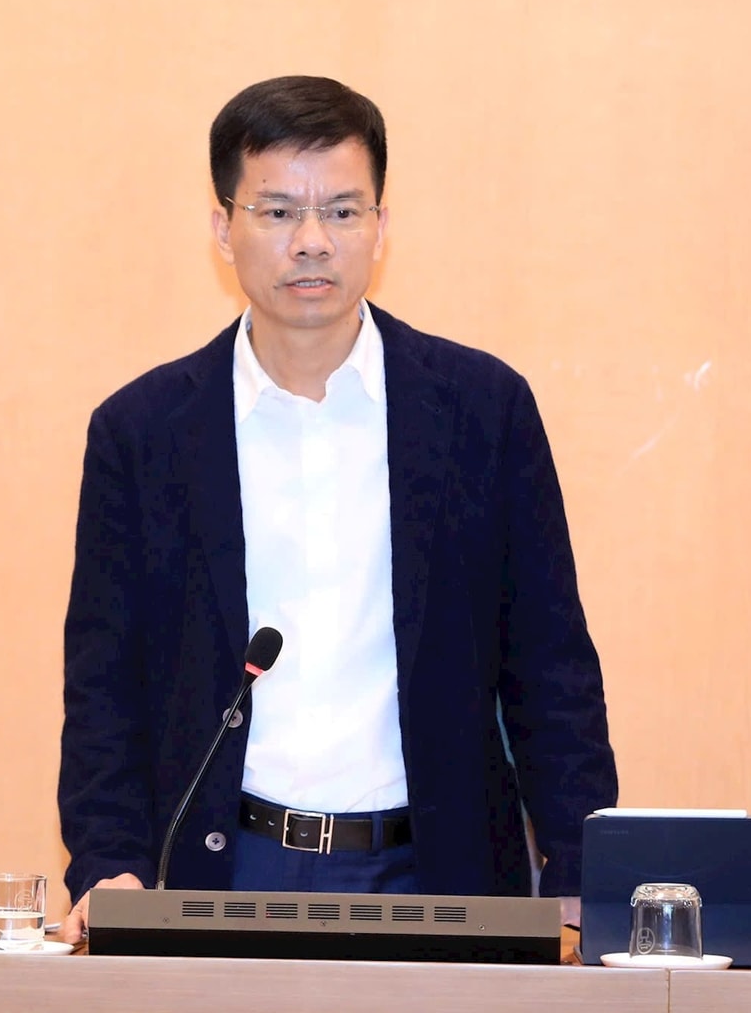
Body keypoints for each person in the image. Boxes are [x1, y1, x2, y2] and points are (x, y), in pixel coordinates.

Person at [57, 76, 616, 943]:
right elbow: (104, 685)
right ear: (223, 228)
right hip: (227, 866)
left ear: (381, 226)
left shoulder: (481, 410)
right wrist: (109, 863)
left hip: (437, 867)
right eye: (278, 211)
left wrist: (581, 871)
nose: (312, 241)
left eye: (343, 212)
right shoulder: (144, 432)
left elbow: (552, 668)